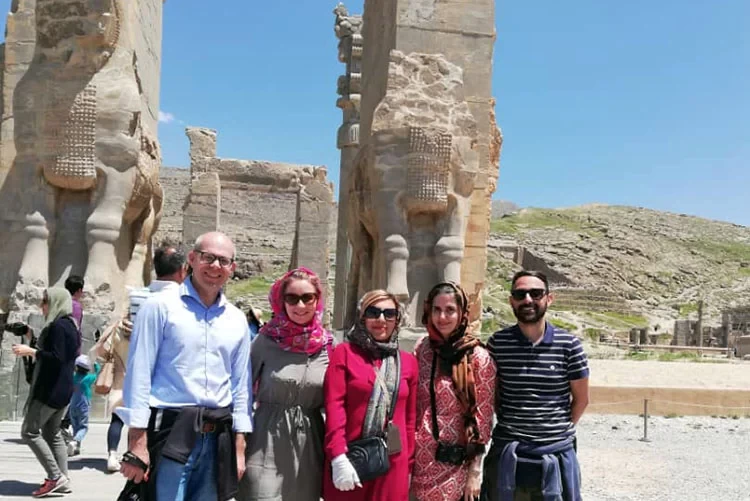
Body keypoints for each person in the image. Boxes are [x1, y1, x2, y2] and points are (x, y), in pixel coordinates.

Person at [117, 232, 252, 501]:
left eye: (223, 261)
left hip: (217, 438)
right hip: (170, 432)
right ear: (192, 259)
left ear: (232, 268)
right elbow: (139, 374)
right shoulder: (159, 308)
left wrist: (239, 448)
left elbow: (241, 387)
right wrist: (137, 443)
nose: (215, 266)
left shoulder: (237, 320)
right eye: (208, 258)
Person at [482, 271, 590, 501]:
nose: (528, 300)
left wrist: (554, 432)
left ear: (549, 298)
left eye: (536, 293)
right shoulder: (497, 344)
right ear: (512, 301)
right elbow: (494, 395)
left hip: (556, 455)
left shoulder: (569, 345)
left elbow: (581, 399)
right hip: (509, 455)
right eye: (520, 294)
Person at [238, 267, 333, 501]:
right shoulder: (266, 340)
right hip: (265, 439)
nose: (300, 306)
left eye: (307, 298)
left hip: (309, 445)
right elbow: (241, 390)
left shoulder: (329, 345)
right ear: (282, 301)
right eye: (292, 298)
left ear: (317, 300)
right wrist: (238, 443)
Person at [94, 241, 187, 472]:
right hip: (164, 389)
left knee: (120, 417)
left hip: (125, 372)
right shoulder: (184, 303)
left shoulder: (138, 299)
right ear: (183, 269)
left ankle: (116, 454)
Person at [323, 289, 418, 501]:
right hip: (352, 459)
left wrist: (409, 465)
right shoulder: (344, 354)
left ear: (397, 319)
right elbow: (334, 407)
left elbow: (410, 419)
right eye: (373, 312)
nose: (381, 319)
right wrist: (338, 456)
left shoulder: (408, 362)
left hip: (393, 464)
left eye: (389, 314)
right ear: (362, 317)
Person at [412, 282, 496, 501]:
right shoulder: (423, 348)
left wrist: (475, 473)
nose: (442, 317)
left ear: (462, 313)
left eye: (450, 310)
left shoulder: (478, 358)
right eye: (436, 310)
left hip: (454, 466)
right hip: (418, 464)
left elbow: (483, 419)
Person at [12, 287, 81, 497]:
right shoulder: (71, 325)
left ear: (55, 302)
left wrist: (31, 351)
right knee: (52, 434)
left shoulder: (58, 327)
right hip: (64, 389)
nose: (42, 306)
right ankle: (64, 479)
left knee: (29, 431)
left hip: (50, 391)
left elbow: (56, 358)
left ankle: (55, 476)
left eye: (45, 301)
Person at [66, 354, 100, 457]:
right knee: (83, 428)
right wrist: (95, 364)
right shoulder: (88, 378)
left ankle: (76, 449)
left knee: (76, 427)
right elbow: (98, 374)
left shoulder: (72, 378)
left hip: (72, 406)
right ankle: (75, 441)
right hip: (83, 406)